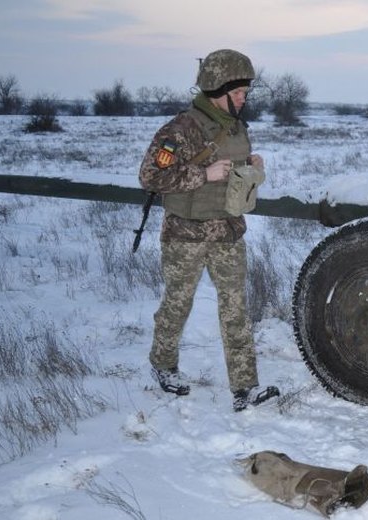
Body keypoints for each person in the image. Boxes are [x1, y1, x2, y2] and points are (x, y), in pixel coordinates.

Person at [138, 49, 278, 412]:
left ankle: (245, 388)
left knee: (236, 309)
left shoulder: (235, 126)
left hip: (228, 231)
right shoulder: (180, 129)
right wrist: (203, 174)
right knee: (177, 304)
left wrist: (250, 163)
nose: (245, 99)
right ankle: (163, 365)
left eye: (246, 92)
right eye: (239, 93)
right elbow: (151, 177)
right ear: (219, 89)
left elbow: (229, 167)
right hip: (185, 234)